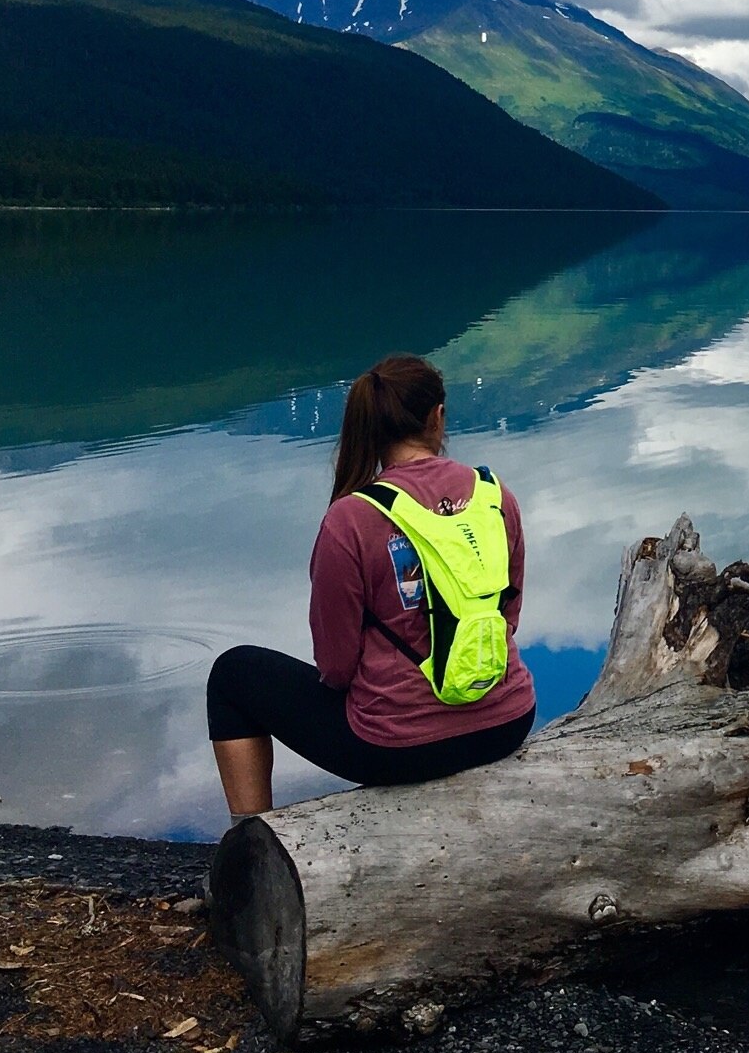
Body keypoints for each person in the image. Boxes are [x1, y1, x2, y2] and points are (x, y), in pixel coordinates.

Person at [206, 353, 536, 823]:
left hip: (400, 748)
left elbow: (336, 667)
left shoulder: (351, 518)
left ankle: (247, 844)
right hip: (507, 721)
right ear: (437, 417)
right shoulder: (494, 496)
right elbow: (509, 617)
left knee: (233, 675)